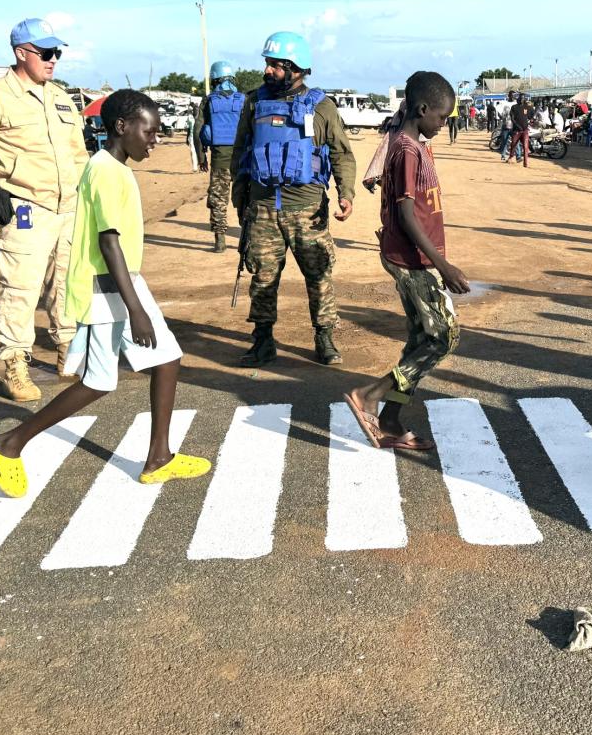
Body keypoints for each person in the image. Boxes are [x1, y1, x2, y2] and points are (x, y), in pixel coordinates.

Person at [0, 91, 211, 497]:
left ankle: (159, 457)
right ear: (121, 127)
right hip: (108, 286)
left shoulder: (113, 168)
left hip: (118, 283)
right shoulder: (104, 171)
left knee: (164, 359)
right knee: (101, 380)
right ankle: (8, 443)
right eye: (149, 132)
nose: (155, 140)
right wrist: (135, 309)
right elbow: (109, 242)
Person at [0, 18, 89, 402]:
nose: (53, 60)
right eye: (45, 53)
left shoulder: (61, 97)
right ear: (21, 53)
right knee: (20, 288)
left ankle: (68, 353)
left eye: (56, 53)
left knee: (67, 284)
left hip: (69, 209)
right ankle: (15, 364)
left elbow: (79, 157)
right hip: (26, 210)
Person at [344, 72, 469, 451]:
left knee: (420, 340)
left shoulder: (413, 144)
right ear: (423, 109)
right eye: (442, 117)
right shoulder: (407, 150)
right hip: (414, 259)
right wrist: (443, 266)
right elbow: (407, 215)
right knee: (443, 337)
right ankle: (370, 395)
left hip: (414, 256)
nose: (444, 124)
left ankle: (391, 418)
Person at [231, 31, 357, 367]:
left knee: (319, 275)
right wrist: (240, 197)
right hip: (262, 208)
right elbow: (241, 150)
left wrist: (346, 193)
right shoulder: (253, 102)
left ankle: (324, 337)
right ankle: (263, 341)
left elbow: (341, 153)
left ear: (296, 68)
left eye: (275, 65)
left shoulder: (322, 106)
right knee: (263, 277)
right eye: (267, 63)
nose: (267, 70)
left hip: (307, 209)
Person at [193, 60, 244, 253]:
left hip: (219, 161)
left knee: (218, 201)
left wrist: (201, 157)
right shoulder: (243, 100)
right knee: (244, 199)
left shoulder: (208, 101)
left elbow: (197, 131)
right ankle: (245, 239)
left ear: (214, 79)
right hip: (242, 162)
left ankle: (220, 241)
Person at [506, 93, 531, 167]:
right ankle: (511, 157)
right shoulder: (514, 107)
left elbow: (531, 115)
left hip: (525, 130)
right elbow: (512, 118)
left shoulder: (527, 107)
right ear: (518, 99)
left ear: (524, 99)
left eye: (523, 98)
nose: (521, 100)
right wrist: (517, 126)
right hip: (516, 130)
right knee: (513, 144)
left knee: (525, 146)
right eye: (520, 98)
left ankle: (525, 163)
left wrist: (532, 118)